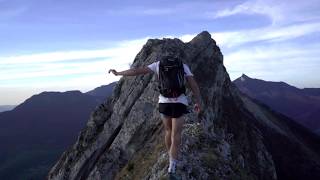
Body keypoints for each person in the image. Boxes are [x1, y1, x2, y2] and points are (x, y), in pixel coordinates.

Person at [108, 55, 201, 176]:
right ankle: (172, 164)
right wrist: (198, 101)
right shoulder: (183, 66)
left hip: (164, 103)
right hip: (180, 102)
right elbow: (193, 85)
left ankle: (170, 155)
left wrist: (118, 73)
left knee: (168, 131)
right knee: (176, 134)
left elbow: (136, 71)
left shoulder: (157, 65)